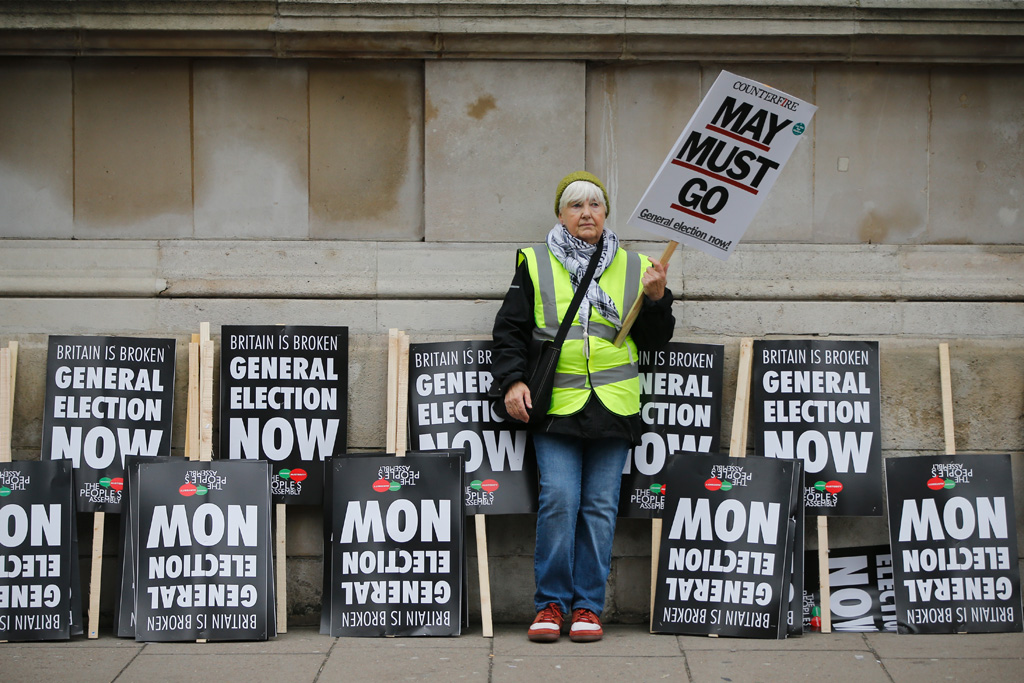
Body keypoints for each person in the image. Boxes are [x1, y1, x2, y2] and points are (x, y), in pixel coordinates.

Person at [490, 171, 675, 643]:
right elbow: (509, 330)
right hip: (557, 405)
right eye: (576, 206)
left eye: (594, 205)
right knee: (560, 501)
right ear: (560, 214)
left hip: (614, 404)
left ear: (606, 213)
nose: (586, 213)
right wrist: (511, 382)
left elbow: (655, 340)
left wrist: (657, 300)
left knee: (599, 506)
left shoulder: (637, 266)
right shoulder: (534, 261)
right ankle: (551, 605)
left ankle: (588, 608)